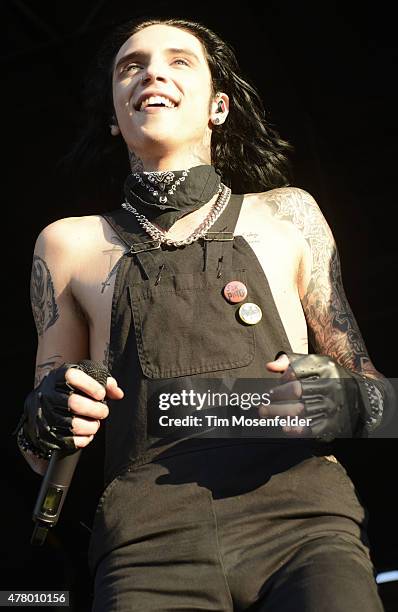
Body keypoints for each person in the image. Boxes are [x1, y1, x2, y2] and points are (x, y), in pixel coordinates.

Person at [14, 16, 396, 612]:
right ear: (115, 117)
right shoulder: (68, 244)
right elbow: (37, 449)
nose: (153, 72)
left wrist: (343, 398)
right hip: (145, 541)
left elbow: (381, 400)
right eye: (131, 66)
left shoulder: (289, 216)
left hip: (304, 522)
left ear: (218, 106)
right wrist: (50, 413)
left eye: (178, 60)